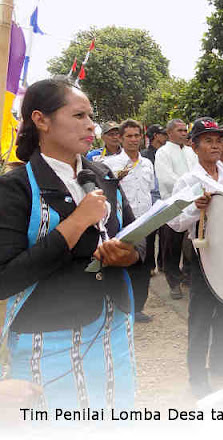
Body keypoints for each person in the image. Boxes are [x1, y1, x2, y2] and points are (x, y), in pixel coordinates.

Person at [0, 77, 143, 409]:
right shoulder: (16, 187)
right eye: (79, 116)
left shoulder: (104, 176)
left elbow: (138, 234)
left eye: (91, 117)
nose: (91, 126)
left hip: (114, 330)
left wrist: (129, 254)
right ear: (41, 120)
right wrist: (77, 222)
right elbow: (5, 278)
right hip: (49, 334)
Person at [167, 118, 223, 398]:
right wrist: (194, 209)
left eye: (218, 140)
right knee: (201, 316)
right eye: (208, 141)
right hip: (203, 253)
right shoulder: (188, 181)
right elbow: (175, 223)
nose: (215, 145)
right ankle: (197, 375)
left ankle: (221, 362)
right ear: (194, 146)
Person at [103, 119, 156, 323]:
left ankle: (138, 308)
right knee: (120, 266)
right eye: (129, 136)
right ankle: (118, 308)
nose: (134, 140)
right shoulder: (110, 165)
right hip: (122, 225)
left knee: (143, 268)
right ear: (121, 139)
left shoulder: (147, 163)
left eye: (137, 136)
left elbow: (150, 189)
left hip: (146, 223)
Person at [155, 118, 197, 299]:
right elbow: (166, 179)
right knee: (171, 245)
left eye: (185, 130)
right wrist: (190, 187)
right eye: (179, 130)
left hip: (193, 203)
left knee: (191, 241)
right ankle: (173, 282)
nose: (184, 133)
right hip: (172, 204)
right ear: (169, 133)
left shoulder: (190, 152)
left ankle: (188, 274)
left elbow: (197, 173)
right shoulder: (163, 152)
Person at [141, 124, 167, 274]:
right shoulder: (144, 155)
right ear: (156, 136)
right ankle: (150, 265)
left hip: (164, 196)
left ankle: (163, 263)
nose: (165, 137)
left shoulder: (166, 153)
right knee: (150, 233)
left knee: (165, 233)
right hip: (150, 197)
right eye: (163, 133)